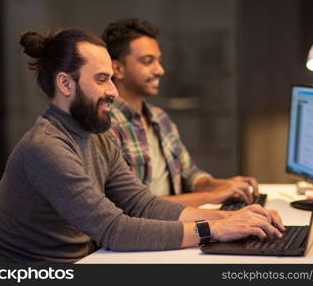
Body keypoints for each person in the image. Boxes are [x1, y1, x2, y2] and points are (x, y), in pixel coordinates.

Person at [0, 29, 284, 263]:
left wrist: (228, 218)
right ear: (65, 84)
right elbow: (115, 230)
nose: (112, 91)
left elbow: (143, 204)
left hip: (85, 257)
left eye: (111, 79)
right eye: (101, 80)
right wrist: (214, 230)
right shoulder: (46, 148)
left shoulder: (95, 136)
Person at [102, 19, 259, 207]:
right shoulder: (106, 126)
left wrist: (225, 185)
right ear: (117, 69)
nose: (160, 70)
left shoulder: (159, 118)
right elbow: (132, 207)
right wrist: (213, 197)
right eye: (147, 61)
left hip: (178, 220)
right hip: (150, 231)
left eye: (159, 61)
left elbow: (190, 176)